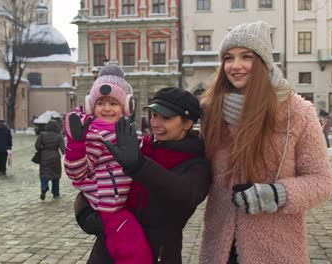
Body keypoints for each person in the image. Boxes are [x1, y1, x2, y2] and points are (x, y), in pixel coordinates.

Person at [198, 21, 332, 264]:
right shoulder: (211, 109)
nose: (235, 66)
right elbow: (196, 169)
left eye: (246, 57)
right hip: (220, 245)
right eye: (228, 58)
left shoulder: (297, 112)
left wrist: (274, 194)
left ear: (262, 62)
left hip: (276, 247)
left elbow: (321, 180)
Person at [74, 87, 211, 264]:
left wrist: (139, 165)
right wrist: (84, 211)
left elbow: (186, 193)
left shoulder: (196, 162)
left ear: (188, 122)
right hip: (109, 250)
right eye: (154, 115)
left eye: (166, 118)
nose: (156, 123)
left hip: (157, 254)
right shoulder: (139, 146)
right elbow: (98, 181)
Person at [63, 64, 153, 264]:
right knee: (136, 253)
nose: (106, 108)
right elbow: (78, 173)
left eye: (113, 103)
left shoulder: (129, 131)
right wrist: (76, 146)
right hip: (109, 205)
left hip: (125, 201)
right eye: (101, 103)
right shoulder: (95, 135)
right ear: (91, 106)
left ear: (126, 107)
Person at [35, 120, 65, 200]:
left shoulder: (42, 135)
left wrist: (41, 151)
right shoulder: (59, 136)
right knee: (56, 175)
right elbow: (63, 150)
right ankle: (56, 193)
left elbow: (37, 146)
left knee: (44, 174)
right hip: (55, 157)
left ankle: (44, 187)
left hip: (44, 156)